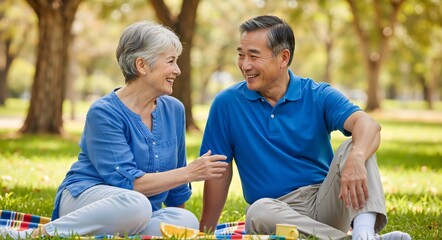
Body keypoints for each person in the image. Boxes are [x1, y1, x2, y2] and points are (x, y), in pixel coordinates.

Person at [0, 21, 227, 239]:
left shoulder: (174, 110)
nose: (177, 70)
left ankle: (112, 232)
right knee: (135, 204)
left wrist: (180, 222)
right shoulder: (104, 112)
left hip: (139, 210)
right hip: (88, 199)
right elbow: (128, 184)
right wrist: (190, 172)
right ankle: (34, 235)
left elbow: (176, 187)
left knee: (184, 220)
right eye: (170, 61)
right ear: (142, 65)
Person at [199, 15, 411, 240]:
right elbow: (217, 172)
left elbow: (369, 125)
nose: (245, 65)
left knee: (356, 144)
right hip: (275, 211)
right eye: (241, 55)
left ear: (283, 57)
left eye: (253, 56)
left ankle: (364, 232)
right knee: (257, 211)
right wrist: (205, 233)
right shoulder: (227, 103)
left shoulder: (317, 94)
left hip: (326, 202)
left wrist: (357, 158)